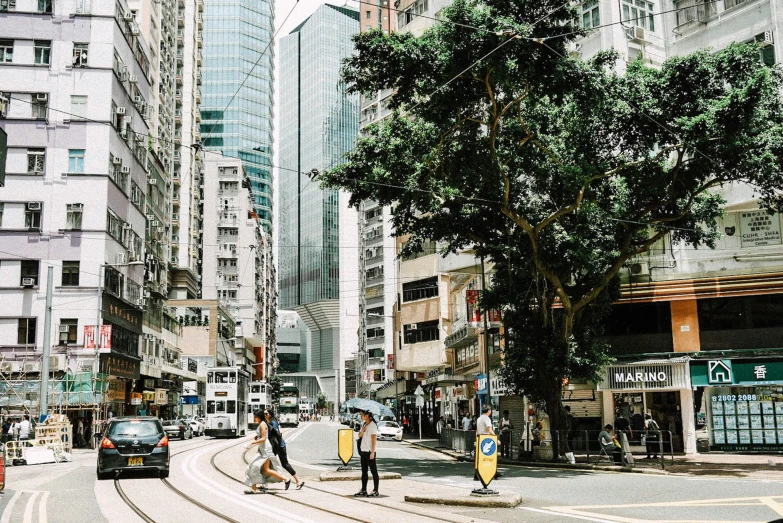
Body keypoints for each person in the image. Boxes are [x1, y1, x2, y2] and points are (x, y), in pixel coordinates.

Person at [244, 411, 289, 494]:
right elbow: (262, 436)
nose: (254, 418)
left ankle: (285, 479)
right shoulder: (262, 423)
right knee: (264, 469)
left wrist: (251, 443)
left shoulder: (262, 424)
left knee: (254, 466)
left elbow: (264, 438)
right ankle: (254, 489)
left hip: (265, 449)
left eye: (255, 417)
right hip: (262, 449)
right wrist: (257, 437)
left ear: (259, 417)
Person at [265, 408, 304, 489]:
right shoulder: (269, 422)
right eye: (264, 414)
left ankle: (296, 480)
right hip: (276, 446)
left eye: (266, 414)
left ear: (270, 414)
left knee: (282, 464)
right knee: (269, 463)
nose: (265, 415)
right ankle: (265, 483)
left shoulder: (273, 422)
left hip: (278, 446)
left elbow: (277, 434)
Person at [355, 410, 379, 498]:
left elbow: (374, 440)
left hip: (369, 452)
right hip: (363, 451)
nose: (361, 416)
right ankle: (363, 489)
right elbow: (359, 436)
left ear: (367, 415)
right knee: (364, 472)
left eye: (362, 414)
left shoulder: (373, 426)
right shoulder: (365, 424)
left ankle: (375, 490)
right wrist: (362, 430)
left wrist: (372, 452)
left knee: (374, 471)